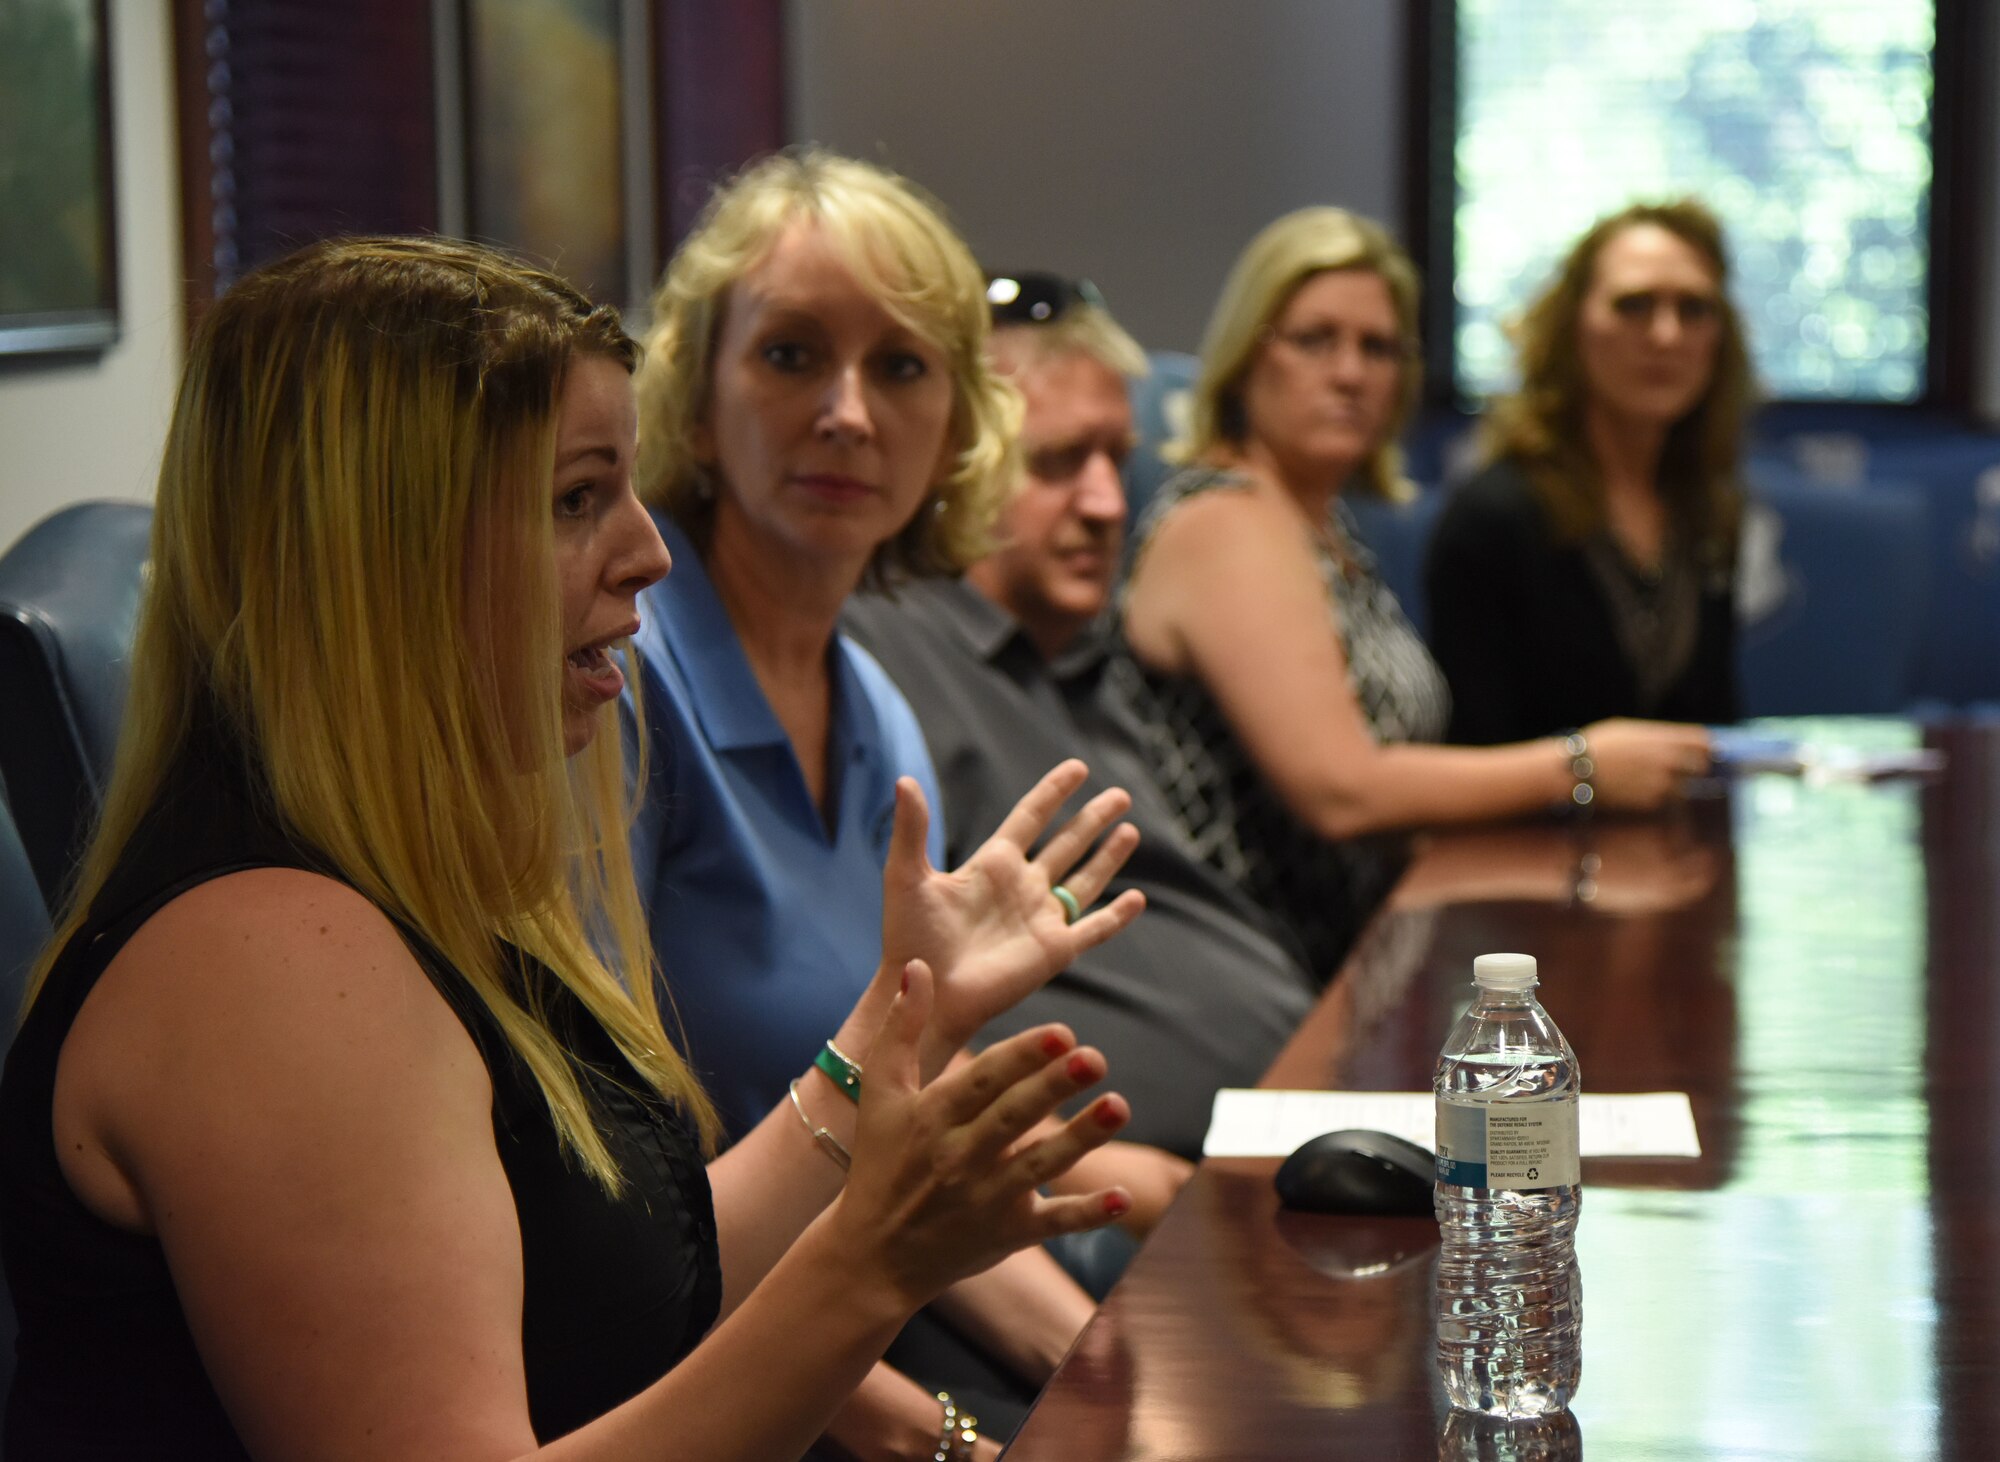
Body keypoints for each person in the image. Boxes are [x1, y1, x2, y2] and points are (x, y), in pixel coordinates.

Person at [0, 236, 1143, 1459]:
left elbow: (623, 1285)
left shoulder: (399, 890)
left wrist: (894, 1022)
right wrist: (869, 1269)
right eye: (576, 498)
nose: (649, 552)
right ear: (385, 554)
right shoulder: (269, 968)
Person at [626, 153, 1154, 1452]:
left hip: (854, 1316)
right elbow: (615, 1243)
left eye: (902, 366)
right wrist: (942, 1437)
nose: (850, 413)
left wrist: (1111, 1371)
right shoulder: (621, 684)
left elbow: (897, 1136)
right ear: (696, 401)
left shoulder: (872, 704)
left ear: (960, 422)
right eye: (794, 356)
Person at [1116, 206, 1710, 976]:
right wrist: (1582, 764)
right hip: (1251, 978)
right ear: (1246, 356)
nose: (1351, 372)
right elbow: (1343, 792)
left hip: (1363, 957)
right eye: (1314, 340)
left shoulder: (1322, 527)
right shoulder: (1227, 519)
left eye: (1379, 347)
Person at [845, 273, 1317, 1161]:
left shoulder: (1084, 653)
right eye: (1059, 464)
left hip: (1285, 1123)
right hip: (1129, 1182)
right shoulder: (886, 654)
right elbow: (870, 1011)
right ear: (955, 469)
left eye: (1117, 460)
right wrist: (1077, 1156)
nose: (1107, 504)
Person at [1426, 199, 1753, 744]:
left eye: (1694, 309)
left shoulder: (1707, 510)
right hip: (1525, 829)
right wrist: (1586, 775)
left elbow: (1715, 729)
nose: (1666, 336)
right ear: (1573, 326)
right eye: (1634, 305)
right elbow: (1468, 753)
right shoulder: (1494, 517)